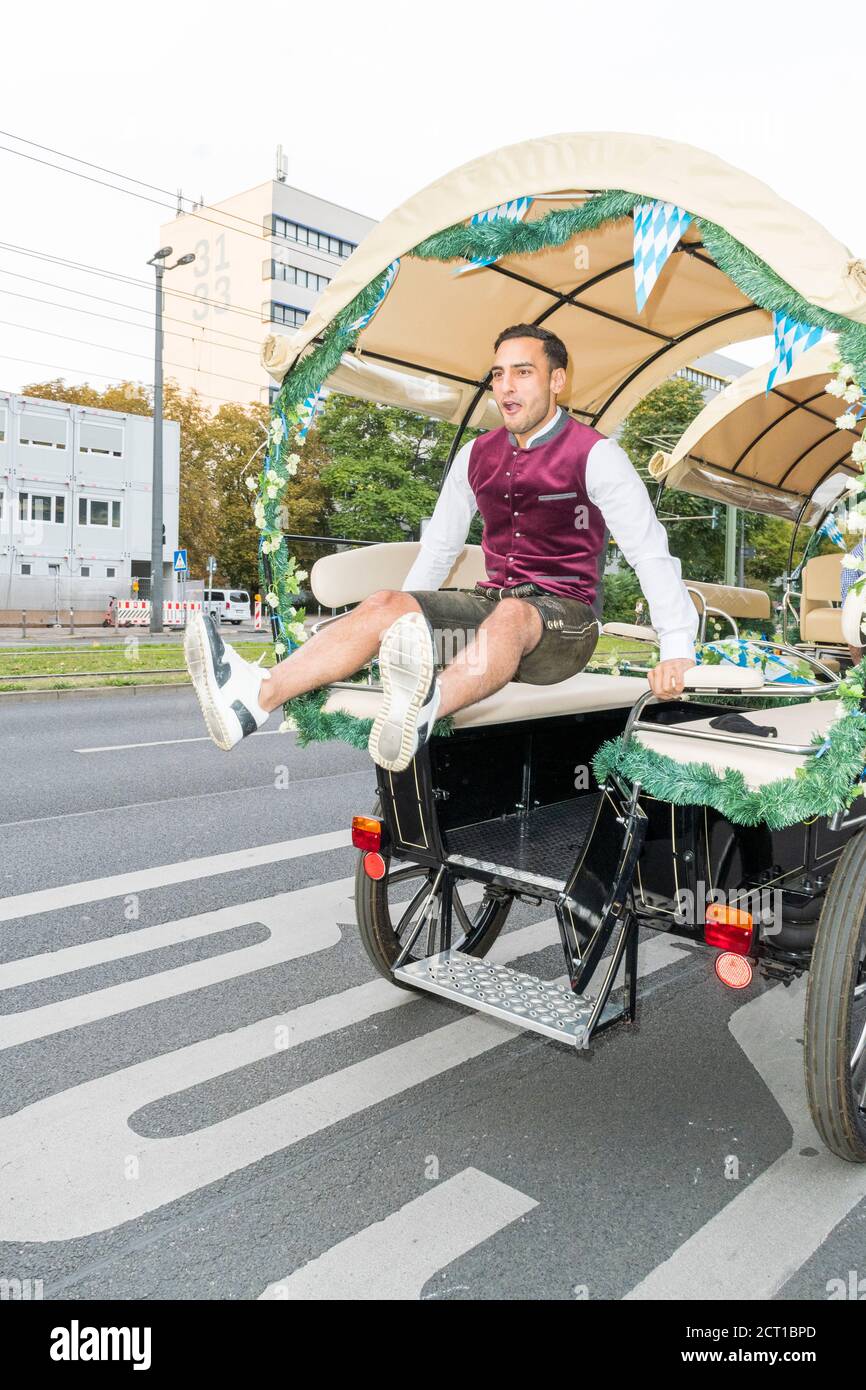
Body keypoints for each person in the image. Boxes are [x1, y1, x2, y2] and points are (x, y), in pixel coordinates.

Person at [184, 323, 698, 771]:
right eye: (498, 374)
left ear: (556, 380)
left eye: (522, 372)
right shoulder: (477, 455)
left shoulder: (596, 454)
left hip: (565, 621)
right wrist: (401, 622)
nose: (505, 386)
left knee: (515, 615)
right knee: (389, 602)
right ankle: (256, 697)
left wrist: (677, 648)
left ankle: (422, 711)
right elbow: (438, 549)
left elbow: (648, 551)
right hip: (492, 604)